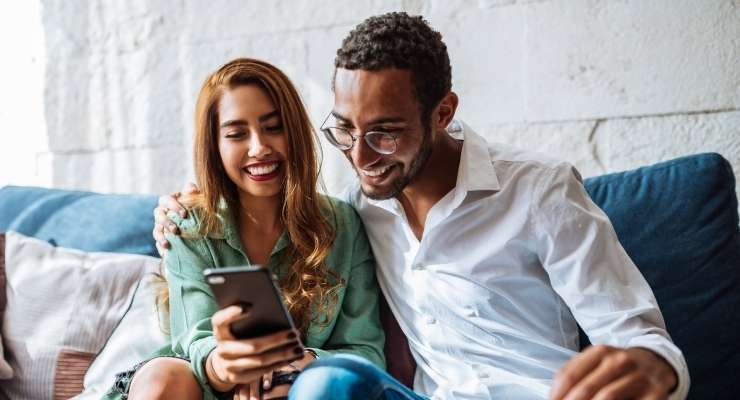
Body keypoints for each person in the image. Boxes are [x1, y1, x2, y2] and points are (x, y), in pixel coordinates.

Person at [155, 13, 689, 400]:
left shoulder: (539, 190)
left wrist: (651, 368)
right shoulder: (356, 210)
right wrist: (183, 204)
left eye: (385, 133)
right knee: (326, 384)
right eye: (344, 129)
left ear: (442, 112)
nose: (360, 157)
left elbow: (638, 336)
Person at [108, 57, 385, 400]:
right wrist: (226, 366)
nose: (259, 147)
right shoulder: (189, 224)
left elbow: (365, 351)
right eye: (237, 134)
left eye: (273, 127)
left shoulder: (343, 224)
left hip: (299, 387)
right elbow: (194, 338)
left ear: (295, 132)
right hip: (204, 384)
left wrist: (299, 363)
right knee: (163, 379)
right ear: (216, 146)